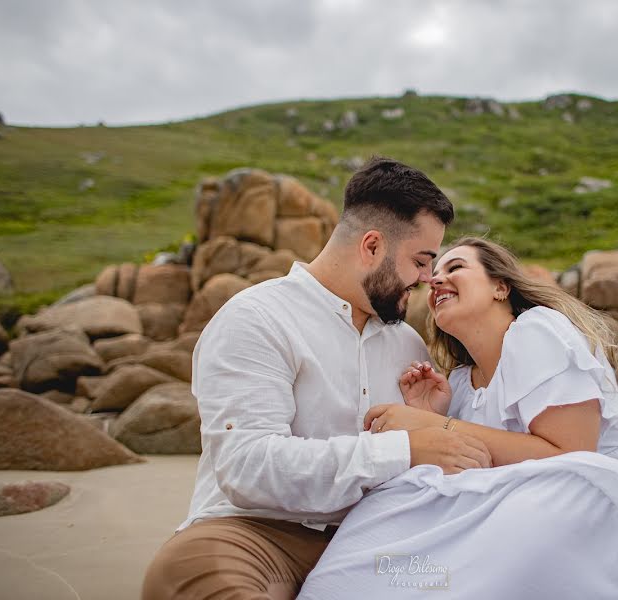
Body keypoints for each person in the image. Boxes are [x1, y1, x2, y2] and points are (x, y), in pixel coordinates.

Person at [298, 237, 618, 600]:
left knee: (549, 502)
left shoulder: (537, 332)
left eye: (455, 268)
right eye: (432, 275)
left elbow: (571, 455)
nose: (436, 281)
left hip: (608, 498)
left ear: (500, 287)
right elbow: (470, 457)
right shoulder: (459, 384)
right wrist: (429, 415)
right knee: (396, 504)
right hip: (533, 494)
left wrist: (435, 428)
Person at [142, 159, 494, 600]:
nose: (427, 280)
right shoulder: (257, 318)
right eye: (420, 262)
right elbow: (247, 467)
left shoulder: (408, 345)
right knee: (188, 577)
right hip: (258, 533)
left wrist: (427, 423)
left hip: (382, 540)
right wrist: (403, 449)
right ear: (371, 246)